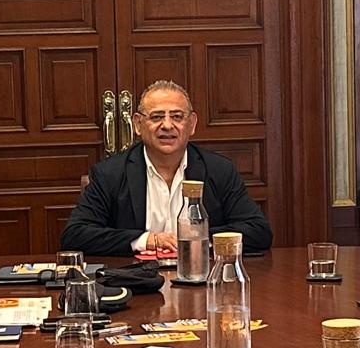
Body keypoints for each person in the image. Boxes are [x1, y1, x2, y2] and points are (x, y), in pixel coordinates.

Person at [60, 79, 273, 256]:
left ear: (192, 124)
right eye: (156, 117)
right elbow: (75, 236)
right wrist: (149, 240)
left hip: (203, 283)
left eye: (177, 117)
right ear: (138, 124)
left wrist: (194, 239)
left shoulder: (219, 171)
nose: (168, 125)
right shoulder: (110, 174)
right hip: (136, 285)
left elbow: (258, 232)